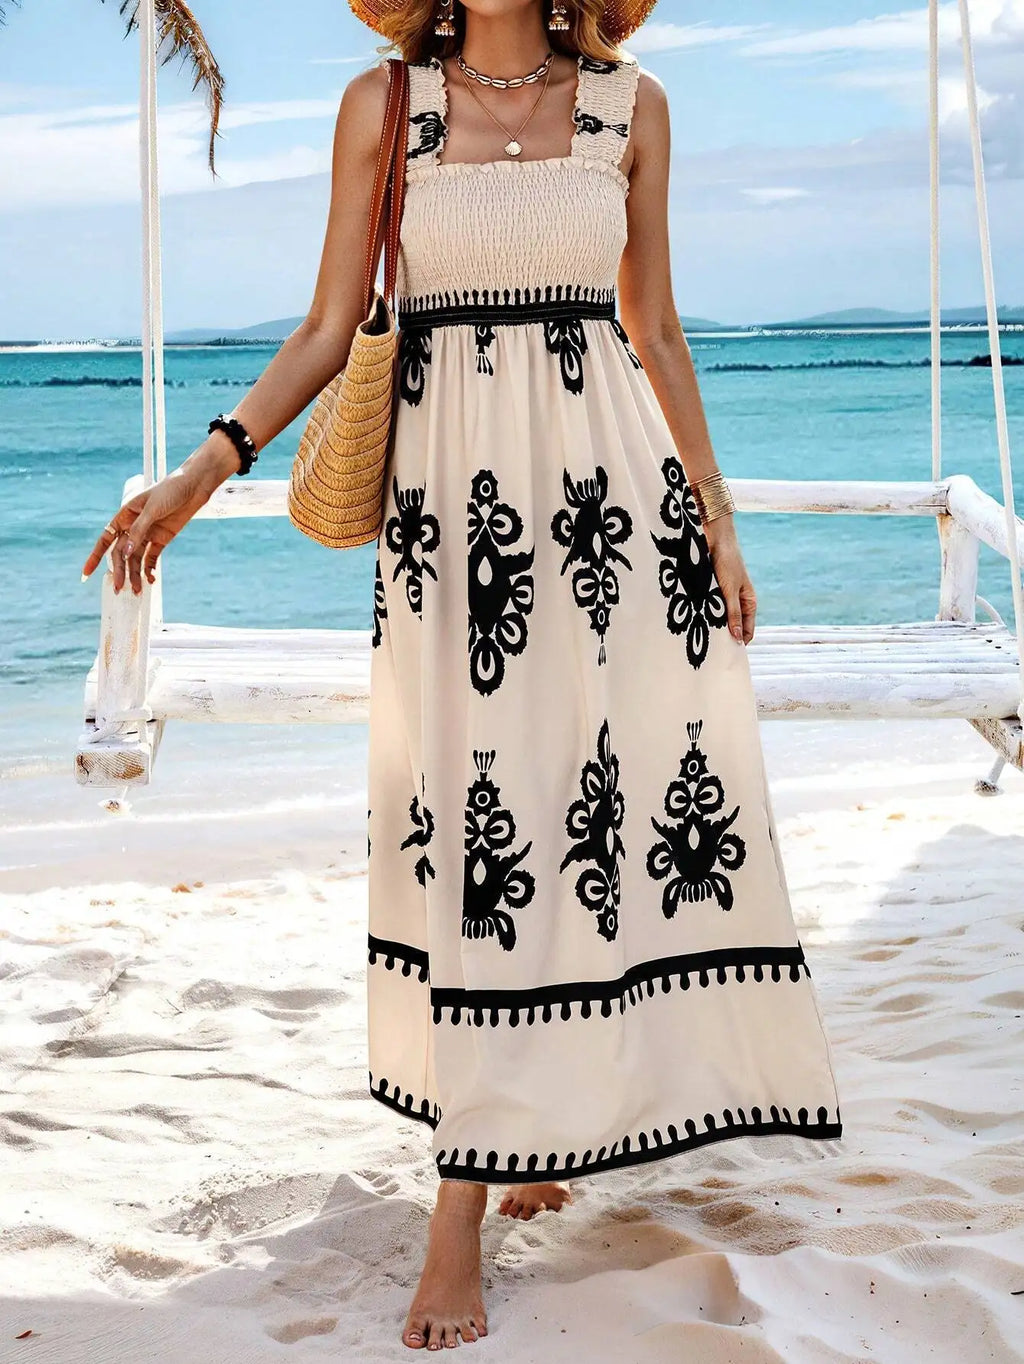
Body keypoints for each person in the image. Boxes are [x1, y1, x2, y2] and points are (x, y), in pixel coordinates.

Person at [83, 0, 843, 1351]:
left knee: (586, 811)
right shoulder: (387, 108)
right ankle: (464, 1199)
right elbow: (329, 330)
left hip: (617, 526)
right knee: (481, 836)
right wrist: (203, 472)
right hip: (456, 536)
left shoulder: (633, 106)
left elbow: (654, 332)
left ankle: (521, 1144)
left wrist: (719, 522)